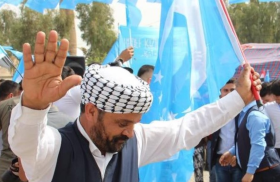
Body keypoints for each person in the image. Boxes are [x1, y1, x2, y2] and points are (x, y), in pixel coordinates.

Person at [8, 30, 261, 182]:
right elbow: (25, 143)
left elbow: (187, 129)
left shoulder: (133, 141)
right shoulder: (55, 149)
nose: (130, 132)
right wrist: (32, 106)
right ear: (91, 111)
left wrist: (238, 98)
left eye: (134, 123)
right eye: (122, 123)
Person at [220, 100, 280, 182]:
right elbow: (246, 138)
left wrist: (250, 172)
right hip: (259, 172)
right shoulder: (246, 112)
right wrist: (232, 152)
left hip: (264, 173)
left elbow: (258, 145)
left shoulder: (254, 115)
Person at [210, 78, 242, 182]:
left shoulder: (244, 111)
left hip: (238, 160)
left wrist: (237, 154)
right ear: (220, 93)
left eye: (232, 90)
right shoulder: (214, 111)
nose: (229, 93)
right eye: (225, 90)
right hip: (221, 160)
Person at [264, 79, 280, 156]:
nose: (277, 97)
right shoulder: (268, 107)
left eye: (279, 95)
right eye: (275, 95)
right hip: (276, 147)